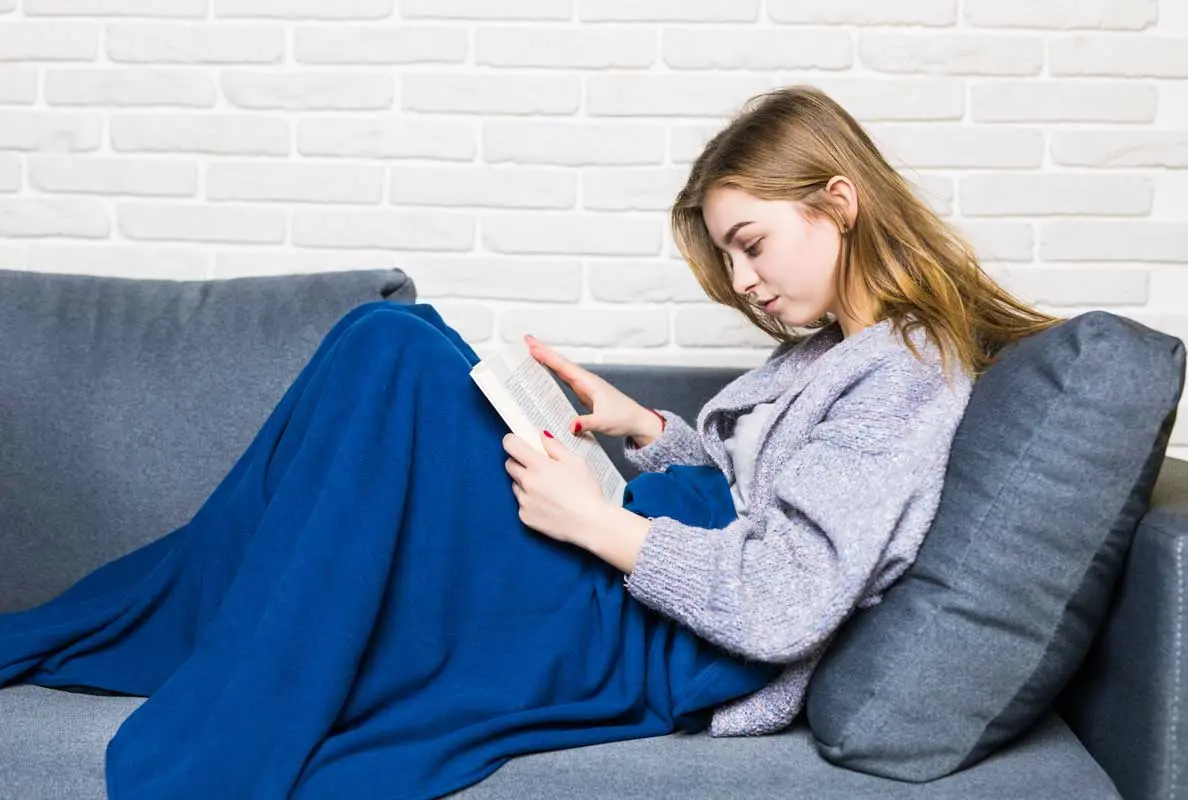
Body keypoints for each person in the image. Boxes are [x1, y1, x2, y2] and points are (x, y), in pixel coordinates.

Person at [0, 85, 1062, 799]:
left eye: (752, 246)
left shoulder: (907, 375)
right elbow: (756, 491)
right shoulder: (834, 353)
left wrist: (600, 525)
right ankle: (202, 625)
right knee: (401, 335)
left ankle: (219, 676)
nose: (745, 285)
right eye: (732, 259)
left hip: (650, 633)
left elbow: (789, 599)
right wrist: (646, 433)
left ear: (840, 200)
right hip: (635, 571)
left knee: (389, 348)